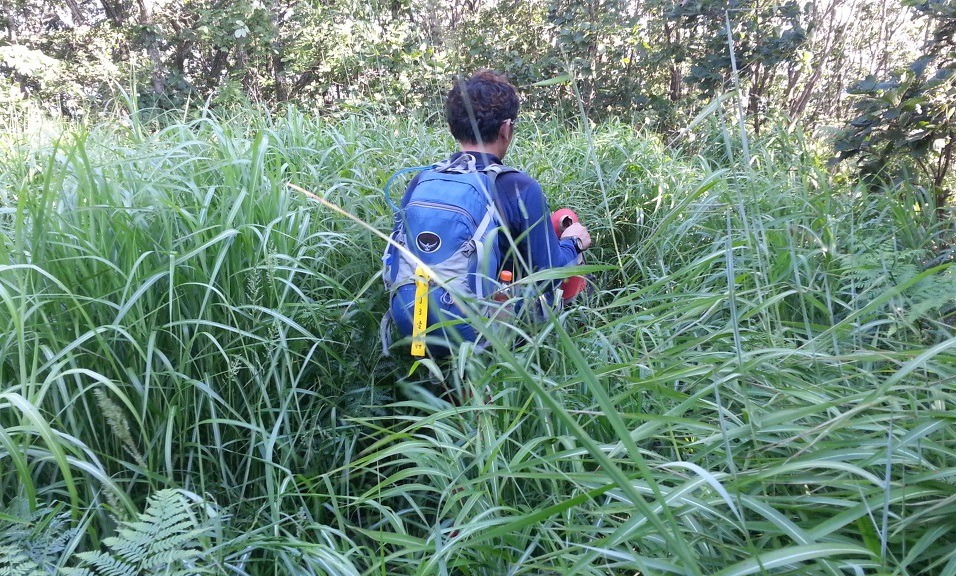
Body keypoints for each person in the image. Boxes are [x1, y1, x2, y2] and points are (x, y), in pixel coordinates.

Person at [382, 69, 591, 358]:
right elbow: (548, 275)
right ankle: (564, 346)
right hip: (473, 331)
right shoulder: (517, 186)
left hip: (409, 322)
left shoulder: (422, 180)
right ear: (506, 128)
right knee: (564, 221)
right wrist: (574, 242)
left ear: (453, 127)